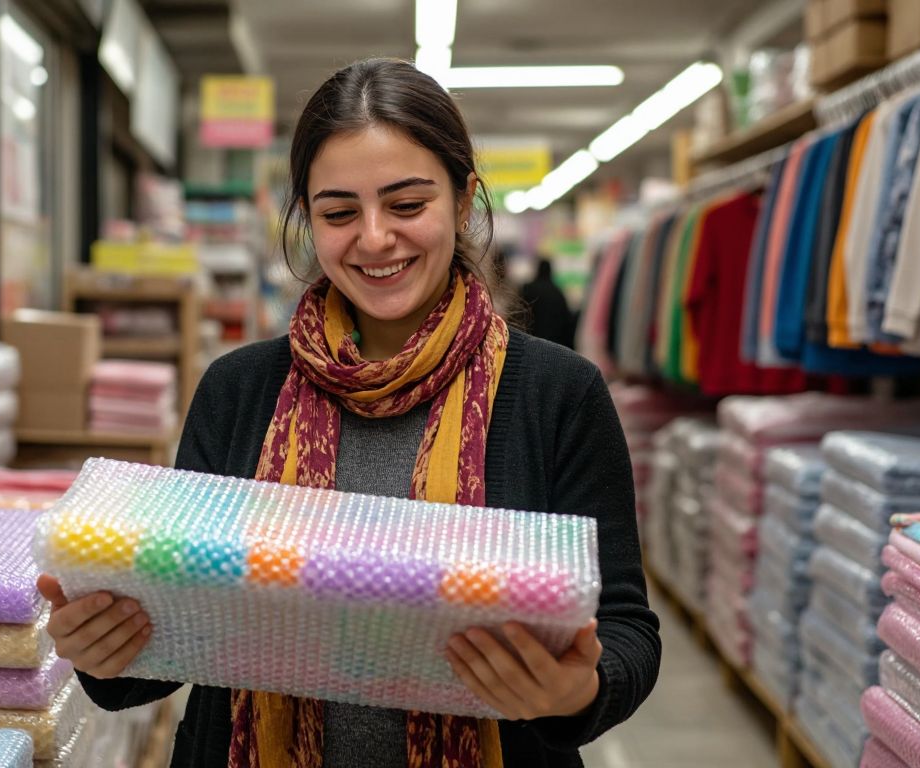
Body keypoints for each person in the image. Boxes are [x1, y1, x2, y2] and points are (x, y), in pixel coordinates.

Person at [36, 58, 660, 768]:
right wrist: (106, 650)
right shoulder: (239, 391)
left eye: (406, 204)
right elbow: (176, 642)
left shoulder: (556, 393)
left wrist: (575, 690)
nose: (372, 238)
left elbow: (627, 629)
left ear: (462, 203)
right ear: (307, 219)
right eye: (338, 213)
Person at [520, 258, 577, 349]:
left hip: (529, 342)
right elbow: (566, 322)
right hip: (554, 344)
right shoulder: (557, 293)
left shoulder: (528, 289)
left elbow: (520, 316)